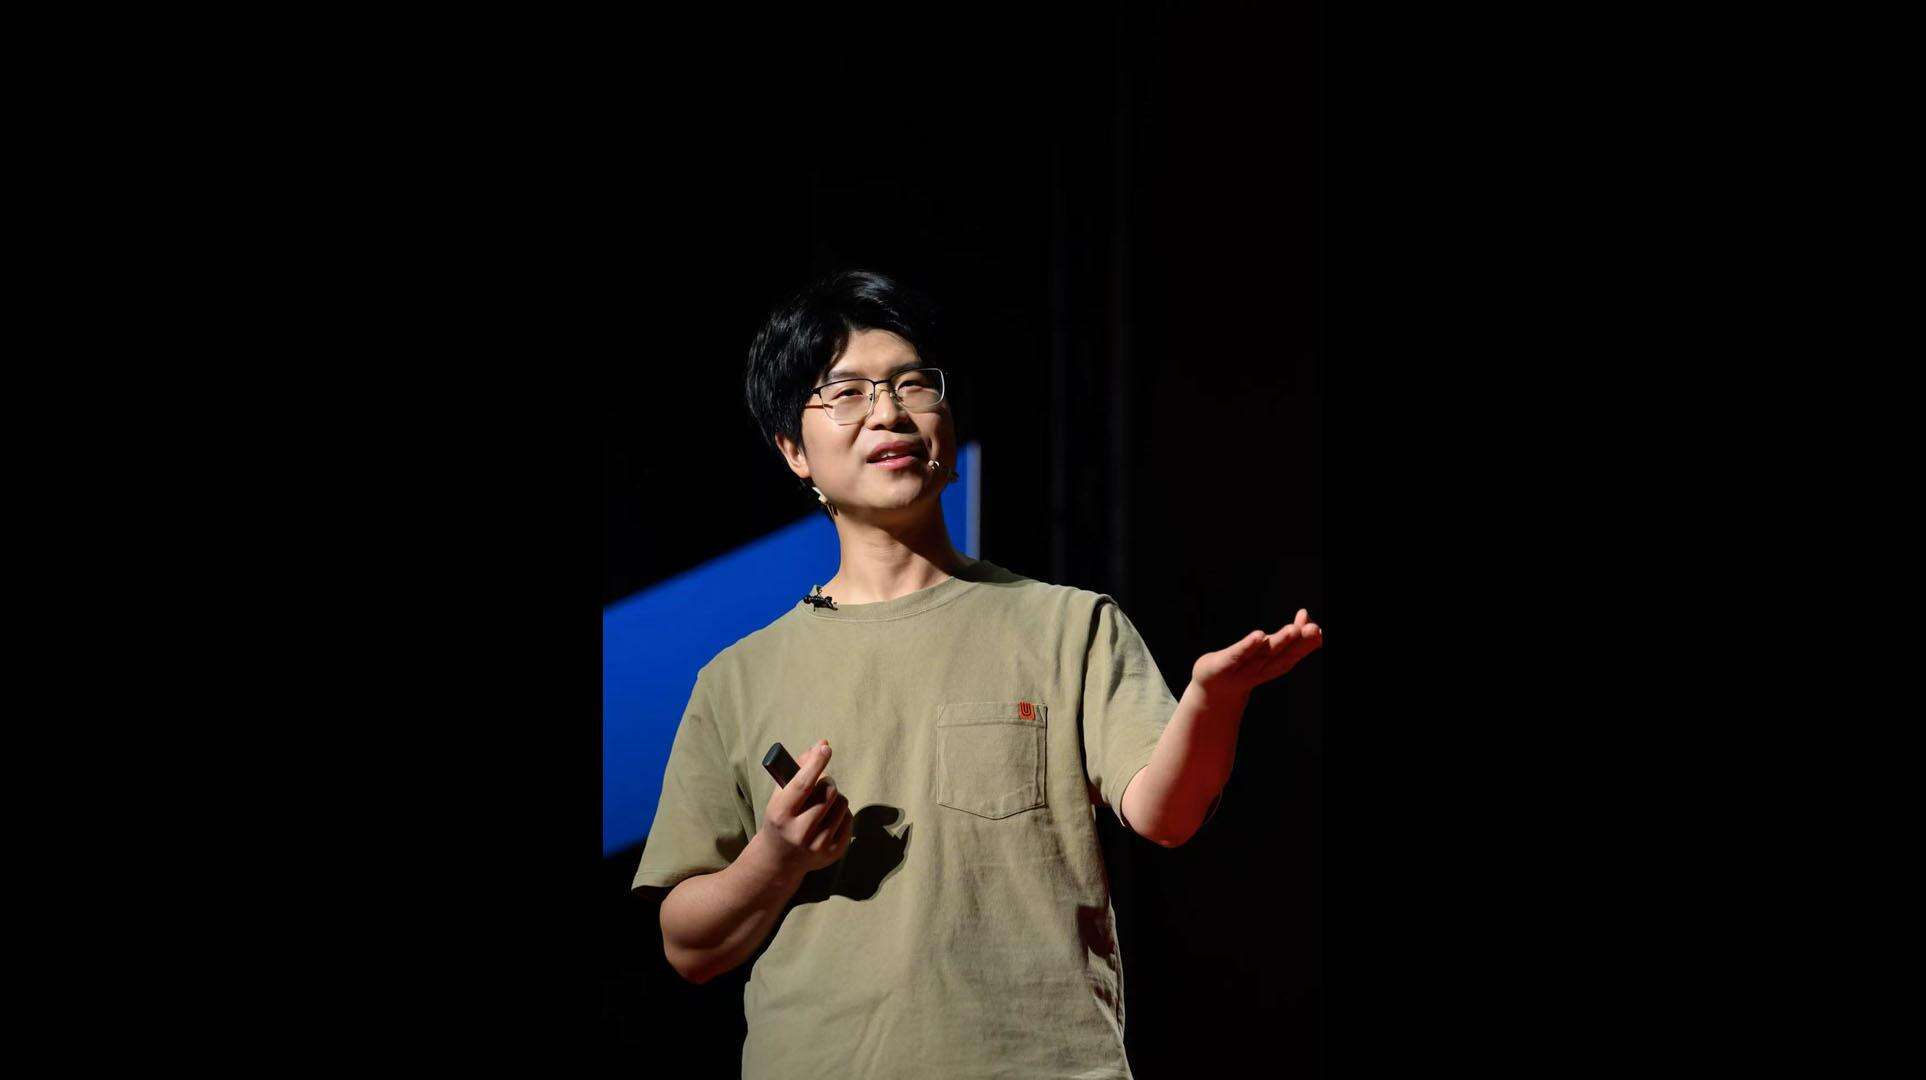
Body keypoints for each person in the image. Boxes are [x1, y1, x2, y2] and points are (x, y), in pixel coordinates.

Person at [631, 269, 1322, 1079]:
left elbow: (1167, 814)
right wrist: (776, 858)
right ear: (794, 451)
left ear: (948, 421)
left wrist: (1213, 699)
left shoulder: (1067, 625)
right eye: (847, 393)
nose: (889, 412)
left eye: (912, 384)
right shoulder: (736, 680)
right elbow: (689, 947)